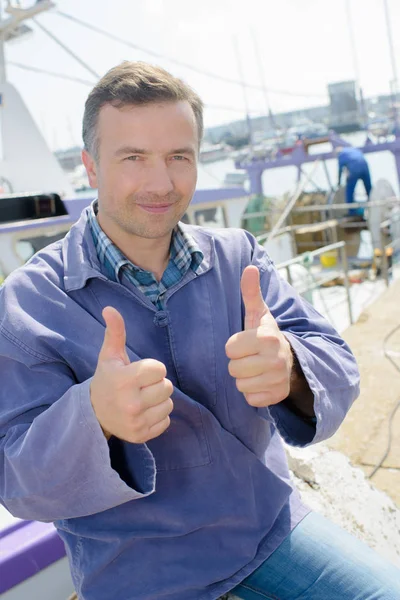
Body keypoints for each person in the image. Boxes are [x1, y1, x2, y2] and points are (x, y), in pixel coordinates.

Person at [0, 62, 399, 600]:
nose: (161, 183)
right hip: (136, 569)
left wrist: (291, 369)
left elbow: (336, 359)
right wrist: (92, 418)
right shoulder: (29, 300)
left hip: (269, 531)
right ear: (90, 167)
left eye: (178, 157)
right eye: (133, 158)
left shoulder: (240, 257)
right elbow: (18, 478)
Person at [337, 145, 372, 217]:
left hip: (354, 168)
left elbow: (340, 169)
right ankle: (373, 206)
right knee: (369, 189)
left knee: (349, 190)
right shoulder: (353, 150)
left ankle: (351, 211)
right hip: (364, 165)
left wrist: (339, 182)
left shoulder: (341, 154)